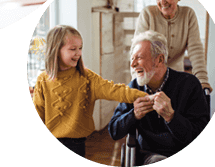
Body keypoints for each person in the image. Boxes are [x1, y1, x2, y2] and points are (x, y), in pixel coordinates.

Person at [31, 25, 147, 158]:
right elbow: (38, 111)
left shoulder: (87, 78)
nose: (78, 53)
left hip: (76, 145)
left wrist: (145, 96)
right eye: (73, 49)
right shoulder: (42, 80)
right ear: (56, 50)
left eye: (80, 48)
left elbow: (114, 90)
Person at [109, 31, 209, 164]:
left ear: (160, 59)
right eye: (132, 58)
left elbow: (197, 133)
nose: (133, 64)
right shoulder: (133, 88)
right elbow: (114, 131)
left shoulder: (190, 84)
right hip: (148, 156)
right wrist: (134, 114)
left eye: (139, 57)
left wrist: (171, 117)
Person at [134, 0, 211, 91]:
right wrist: (137, 83)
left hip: (176, 79)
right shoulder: (148, 14)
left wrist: (202, 80)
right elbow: (136, 51)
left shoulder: (188, 15)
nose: (162, 2)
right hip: (150, 79)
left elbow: (195, 50)